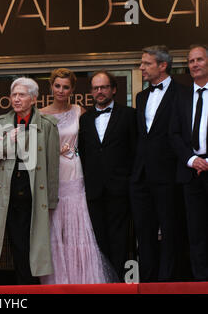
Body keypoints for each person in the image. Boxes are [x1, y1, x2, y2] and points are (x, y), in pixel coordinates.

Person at [0, 77, 60, 285]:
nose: (16, 99)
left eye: (21, 95)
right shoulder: (0, 123)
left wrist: (50, 202)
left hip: (30, 194)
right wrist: (7, 141)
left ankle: (28, 289)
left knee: (24, 247)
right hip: (2, 192)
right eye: (13, 94)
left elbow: (52, 167)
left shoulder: (47, 125)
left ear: (33, 99)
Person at [39, 68, 117, 284]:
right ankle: (59, 280)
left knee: (79, 226)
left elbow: (90, 145)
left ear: (72, 89)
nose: (61, 91)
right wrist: (54, 151)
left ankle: (82, 279)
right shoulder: (41, 114)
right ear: (51, 87)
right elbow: (36, 149)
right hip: (52, 175)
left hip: (75, 173)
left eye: (66, 87)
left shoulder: (79, 111)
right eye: (57, 86)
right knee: (56, 228)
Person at [131, 46, 187, 282]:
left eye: (147, 63)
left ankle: (168, 281)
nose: (141, 68)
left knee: (171, 230)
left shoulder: (183, 94)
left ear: (163, 66)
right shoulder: (141, 96)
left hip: (169, 175)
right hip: (141, 176)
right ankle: (147, 281)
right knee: (144, 232)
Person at [78, 71, 137, 281]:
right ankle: (103, 281)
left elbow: (135, 152)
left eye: (103, 87)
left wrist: (130, 182)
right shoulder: (84, 120)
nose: (99, 92)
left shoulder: (129, 115)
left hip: (120, 189)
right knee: (98, 240)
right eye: (95, 88)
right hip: (94, 191)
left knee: (120, 240)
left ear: (113, 89)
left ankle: (118, 283)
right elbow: (83, 155)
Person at [170, 44, 208, 281]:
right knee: (195, 232)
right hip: (190, 172)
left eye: (199, 60)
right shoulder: (181, 96)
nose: (194, 64)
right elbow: (173, 133)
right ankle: (201, 280)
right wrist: (192, 159)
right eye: (191, 61)